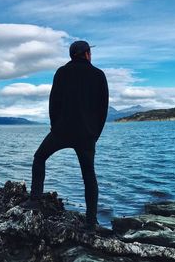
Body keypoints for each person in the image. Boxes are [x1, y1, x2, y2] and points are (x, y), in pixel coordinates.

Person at [21, 40, 109, 230]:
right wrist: (95, 133)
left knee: (39, 158)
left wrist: (55, 126)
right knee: (88, 175)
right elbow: (103, 108)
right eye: (89, 52)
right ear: (86, 54)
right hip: (87, 134)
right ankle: (91, 222)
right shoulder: (98, 75)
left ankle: (35, 199)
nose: (90, 55)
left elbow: (54, 102)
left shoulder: (62, 72)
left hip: (62, 131)